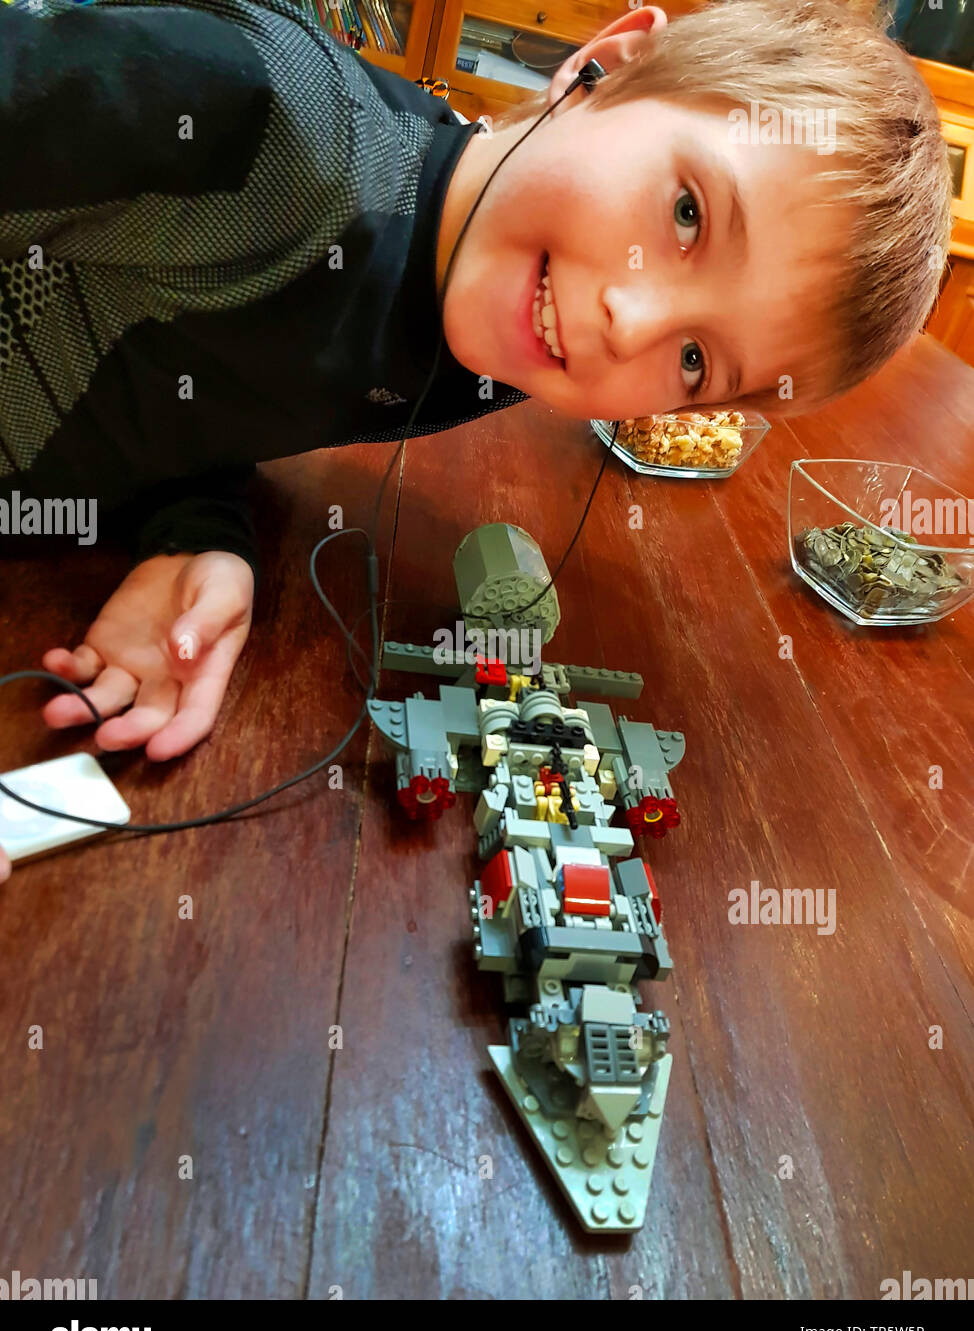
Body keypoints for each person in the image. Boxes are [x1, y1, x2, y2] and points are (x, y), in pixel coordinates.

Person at [0, 0, 953, 883]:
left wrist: (198, 526)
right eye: (689, 214)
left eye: (697, 360)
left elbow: (213, 346)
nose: (629, 320)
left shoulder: (499, 329)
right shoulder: (247, 116)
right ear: (606, 63)